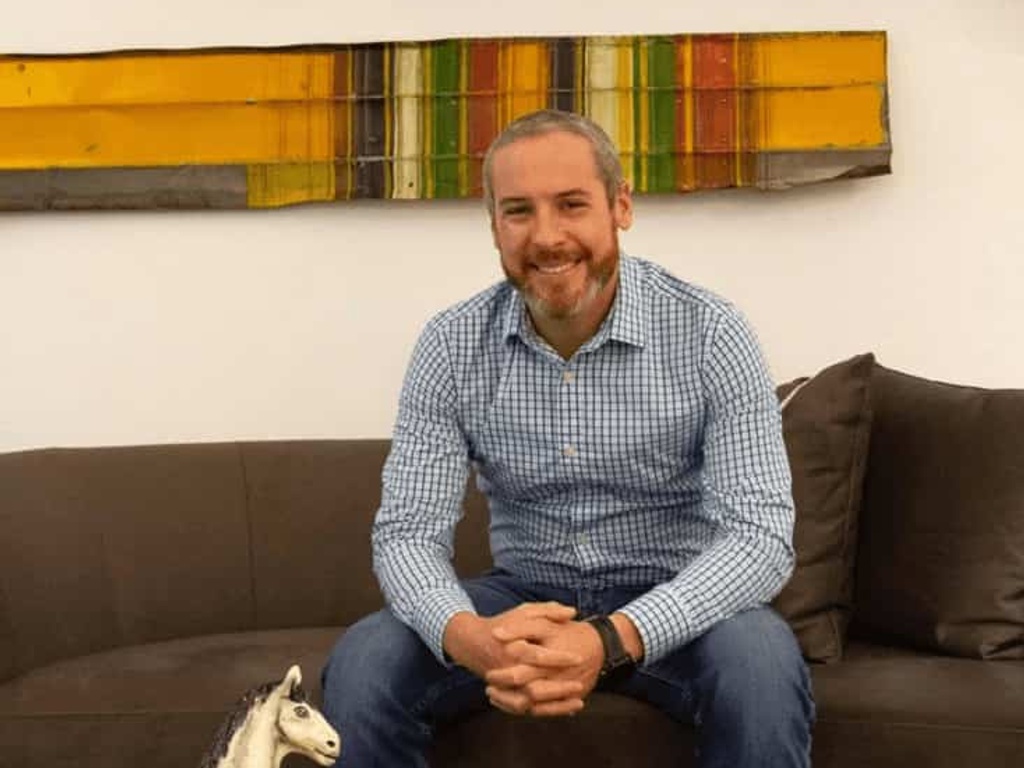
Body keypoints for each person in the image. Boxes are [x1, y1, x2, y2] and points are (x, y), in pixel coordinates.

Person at [321, 108, 815, 767]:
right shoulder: (449, 346)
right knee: (365, 661)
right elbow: (407, 534)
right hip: (521, 599)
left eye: (572, 205)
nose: (547, 236)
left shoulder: (711, 333)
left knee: (759, 664)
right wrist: (473, 639)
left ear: (620, 208)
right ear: (494, 224)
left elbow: (759, 539)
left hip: (678, 604)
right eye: (519, 211)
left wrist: (610, 640)